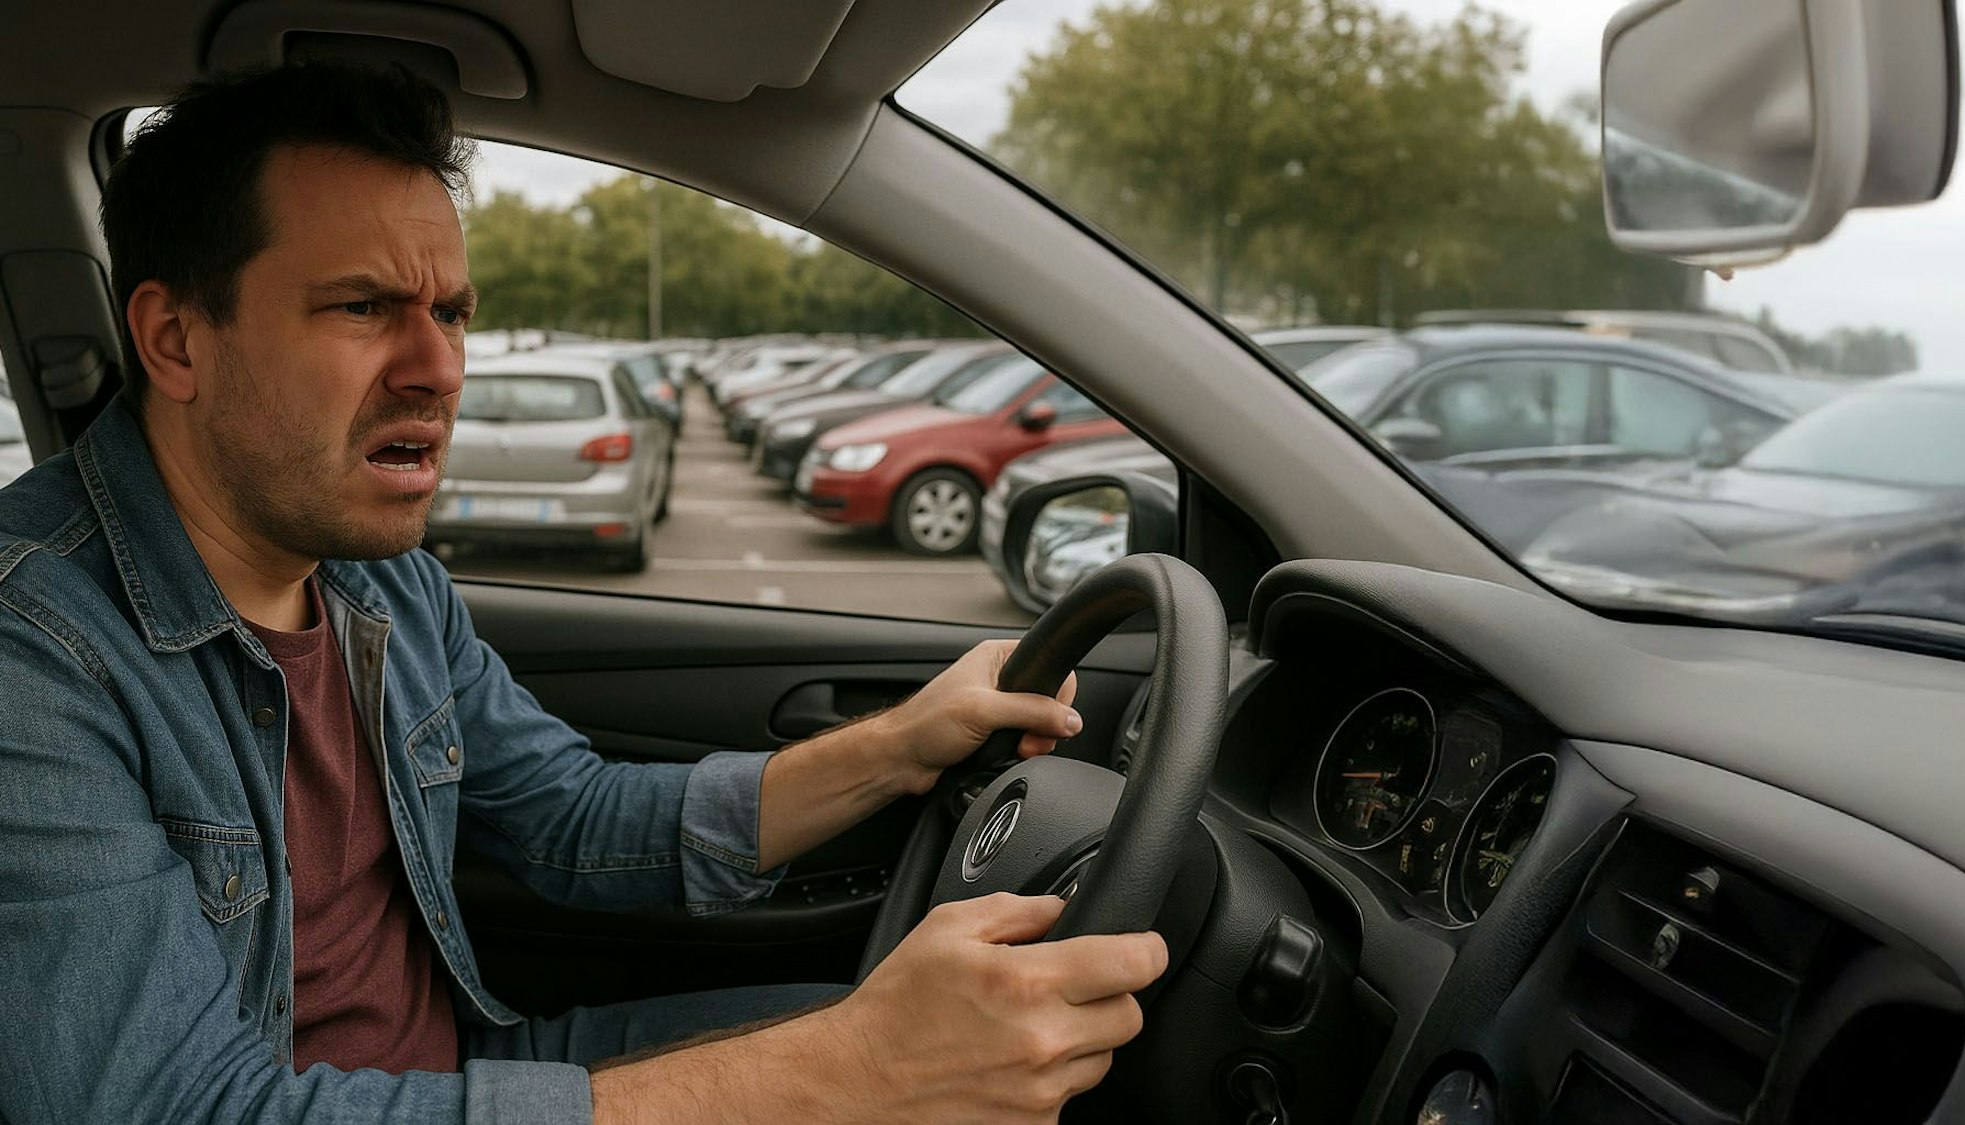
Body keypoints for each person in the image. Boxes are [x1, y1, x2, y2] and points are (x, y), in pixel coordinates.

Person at [0, 62, 1165, 1124]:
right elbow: (178, 1110)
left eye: (449, 313)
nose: (439, 368)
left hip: (467, 1068)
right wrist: (842, 1072)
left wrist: (902, 745)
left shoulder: (380, 582)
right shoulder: (33, 648)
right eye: (362, 307)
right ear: (175, 339)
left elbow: (569, 819)